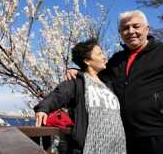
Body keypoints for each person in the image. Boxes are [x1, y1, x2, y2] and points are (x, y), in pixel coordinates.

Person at [67, 10, 163, 154]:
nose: (131, 31)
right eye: (125, 28)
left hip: (155, 132)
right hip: (123, 135)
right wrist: (78, 71)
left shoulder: (160, 52)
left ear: (146, 28)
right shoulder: (117, 59)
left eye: (136, 26)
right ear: (120, 33)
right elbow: (97, 77)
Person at [34, 38, 126, 154]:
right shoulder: (78, 82)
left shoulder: (108, 84)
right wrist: (43, 109)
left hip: (117, 148)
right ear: (87, 60)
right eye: (99, 54)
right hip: (89, 148)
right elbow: (58, 94)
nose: (104, 57)